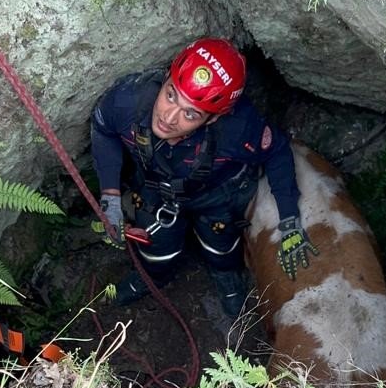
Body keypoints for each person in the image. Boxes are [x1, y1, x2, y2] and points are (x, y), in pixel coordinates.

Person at [91, 37, 319, 316]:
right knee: (157, 246)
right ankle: (155, 277)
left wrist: (289, 218)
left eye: (190, 113)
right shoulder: (128, 101)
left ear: (212, 118)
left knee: (221, 246)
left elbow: (278, 152)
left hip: (216, 195)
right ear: (165, 77)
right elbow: (103, 129)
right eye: (171, 94)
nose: (169, 117)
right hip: (157, 191)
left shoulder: (239, 129)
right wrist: (110, 195)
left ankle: (226, 277)